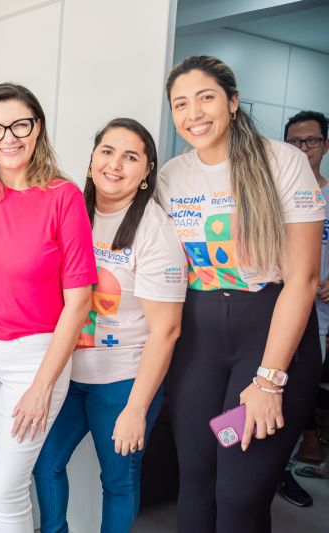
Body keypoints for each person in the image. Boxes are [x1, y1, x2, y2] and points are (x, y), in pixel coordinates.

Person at [158, 55, 324, 533]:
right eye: (180, 104)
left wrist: (268, 381)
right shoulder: (171, 175)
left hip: (267, 338)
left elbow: (303, 278)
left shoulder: (283, 161)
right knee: (197, 482)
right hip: (200, 344)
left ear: (233, 102)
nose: (193, 113)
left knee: (238, 493)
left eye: (206, 98)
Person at [0, 83, 97, 532]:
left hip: (33, 358)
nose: (8, 138)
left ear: (38, 129)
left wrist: (42, 386)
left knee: (5, 486)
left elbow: (79, 303)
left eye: (20, 125)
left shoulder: (63, 197)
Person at [33, 118, 188, 533]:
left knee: (118, 481)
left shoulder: (155, 230)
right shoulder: (71, 210)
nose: (115, 164)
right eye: (107, 151)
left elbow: (167, 330)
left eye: (130, 157)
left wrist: (136, 408)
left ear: (146, 172)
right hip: (68, 373)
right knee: (45, 463)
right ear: (91, 161)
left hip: (122, 381)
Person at [276, 110, 329, 506]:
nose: (303, 148)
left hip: (319, 318)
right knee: (264, 391)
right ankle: (259, 468)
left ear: (325, 145)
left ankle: (283, 469)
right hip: (272, 312)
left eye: (311, 141)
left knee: (298, 400)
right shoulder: (274, 193)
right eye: (295, 142)